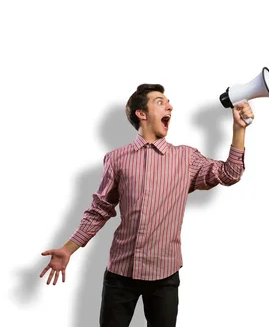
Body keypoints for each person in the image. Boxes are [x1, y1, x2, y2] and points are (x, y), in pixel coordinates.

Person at [39, 83, 253, 327]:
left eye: (169, 102)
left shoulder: (186, 158)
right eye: (160, 102)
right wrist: (68, 249)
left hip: (164, 275)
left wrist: (238, 129)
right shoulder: (116, 159)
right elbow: (99, 210)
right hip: (120, 275)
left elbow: (230, 174)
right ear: (141, 114)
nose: (170, 106)